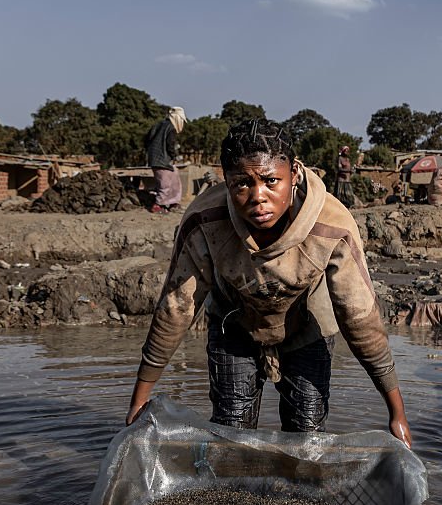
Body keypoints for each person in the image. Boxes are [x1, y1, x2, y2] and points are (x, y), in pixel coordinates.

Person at [125, 119, 412, 447]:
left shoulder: (332, 225)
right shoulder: (205, 223)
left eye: (271, 181)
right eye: (242, 184)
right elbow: (175, 309)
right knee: (232, 431)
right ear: (227, 182)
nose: (258, 197)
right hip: (234, 320)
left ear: (295, 175)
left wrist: (396, 412)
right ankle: (236, 496)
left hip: (307, 322)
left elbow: (359, 317)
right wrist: (139, 397)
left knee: (306, 433)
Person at [145, 106, 187, 213]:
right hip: (163, 161)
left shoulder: (158, 125)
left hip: (155, 160)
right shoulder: (171, 128)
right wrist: (175, 157)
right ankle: (158, 206)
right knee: (165, 185)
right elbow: (170, 145)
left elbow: (147, 140)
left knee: (175, 180)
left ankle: (173, 203)